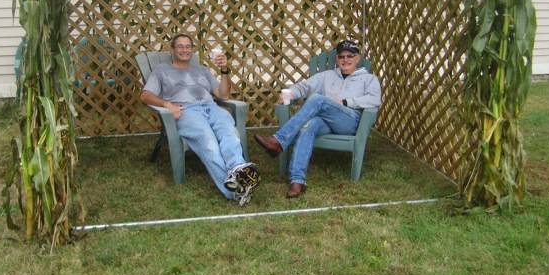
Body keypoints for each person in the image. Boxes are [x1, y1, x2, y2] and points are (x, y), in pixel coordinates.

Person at [140, 34, 260, 206]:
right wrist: (167, 104)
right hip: (187, 111)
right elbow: (145, 95)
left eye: (188, 46)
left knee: (229, 133)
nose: (184, 50)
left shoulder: (202, 70)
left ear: (192, 50)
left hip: (212, 107)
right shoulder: (162, 70)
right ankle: (235, 191)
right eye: (180, 46)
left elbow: (223, 95)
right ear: (172, 49)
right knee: (208, 141)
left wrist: (224, 70)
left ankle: (239, 170)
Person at [254, 39, 381, 198]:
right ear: (337, 59)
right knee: (309, 125)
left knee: (317, 99)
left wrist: (347, 102)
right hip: (326, 121)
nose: (345, 59)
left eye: (350, 56)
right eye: (341, 56)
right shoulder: (327, 76)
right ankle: (297, 181)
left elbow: (374, 99)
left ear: (357, 58)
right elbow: (305, 86)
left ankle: (279, 141)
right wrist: (291, 93)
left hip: (350, 121)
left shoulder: (368, 79)